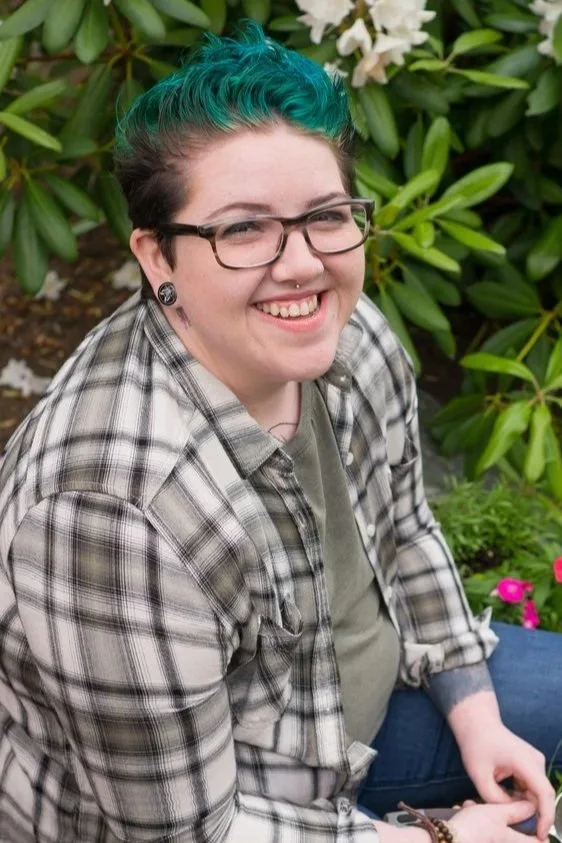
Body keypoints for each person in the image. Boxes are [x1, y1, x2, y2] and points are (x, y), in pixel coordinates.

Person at [0, 23, 560, 843]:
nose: (300, 264)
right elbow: (187, 832)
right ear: (158, 258)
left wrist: (476, 712)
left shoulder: (347, 331)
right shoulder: (113, 511)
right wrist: (436, 839)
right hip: (235, 793)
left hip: (358, 711)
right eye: (244, 229)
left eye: (325, 216)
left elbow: (405, 532)